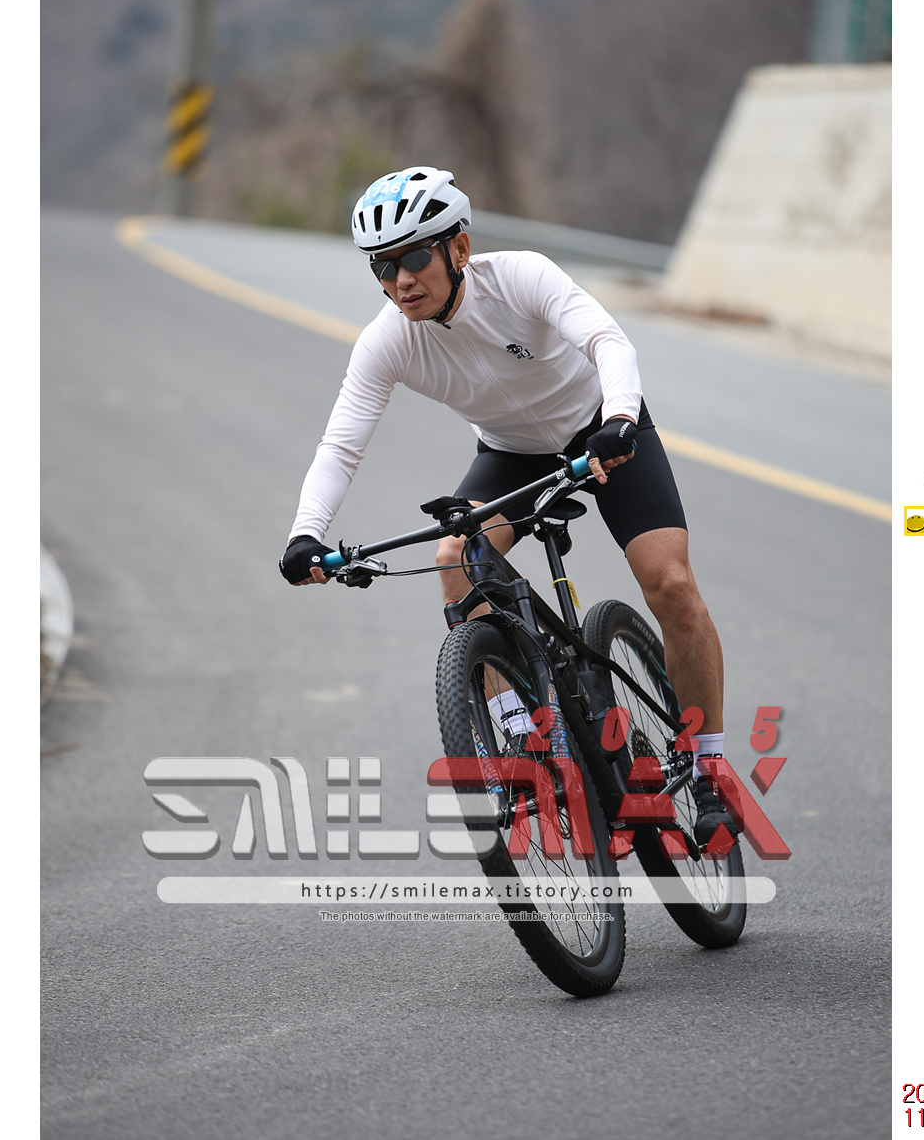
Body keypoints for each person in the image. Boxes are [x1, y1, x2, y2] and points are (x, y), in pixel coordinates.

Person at [279, 166, 733, 844]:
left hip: (601, 431)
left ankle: (708, 766)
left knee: (669, 581)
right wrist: (305, 534)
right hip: (512, 452)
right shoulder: (388, 340)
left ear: (459, 248)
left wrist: (618, 418)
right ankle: (526, 746)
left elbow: (609, 342)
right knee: (454, 559)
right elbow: (341, 445)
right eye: (383, 267)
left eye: (414, 258)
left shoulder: (521, 277)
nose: (401, 281)